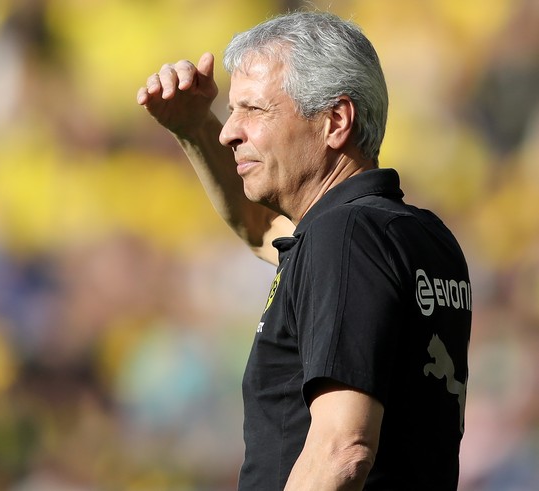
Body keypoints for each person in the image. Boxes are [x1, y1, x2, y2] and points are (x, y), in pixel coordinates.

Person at [137, 11, 471, 490]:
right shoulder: (419, 235)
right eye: (232, 112)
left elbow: (343, 449)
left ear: (335, 121)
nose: (230, 131)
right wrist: (194, 126)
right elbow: (261, 232)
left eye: (253, 111)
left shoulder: (346, 235)